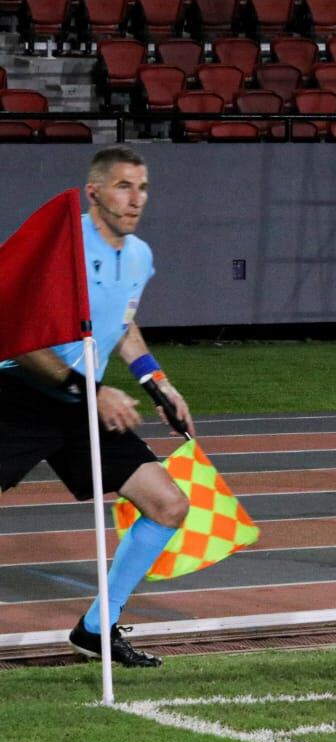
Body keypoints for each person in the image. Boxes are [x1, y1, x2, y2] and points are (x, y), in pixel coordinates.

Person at [0, 145, 193, 668]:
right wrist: (93, 391)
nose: (136, 199)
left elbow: (122, 323)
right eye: (124, 186)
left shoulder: (139, 255)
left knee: (169, 505)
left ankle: (96, 629)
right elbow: (22, 341)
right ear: (95, 192)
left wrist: (158, 383)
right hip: (19, 393)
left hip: (83, 403)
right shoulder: (61, 248)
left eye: (144, 187)